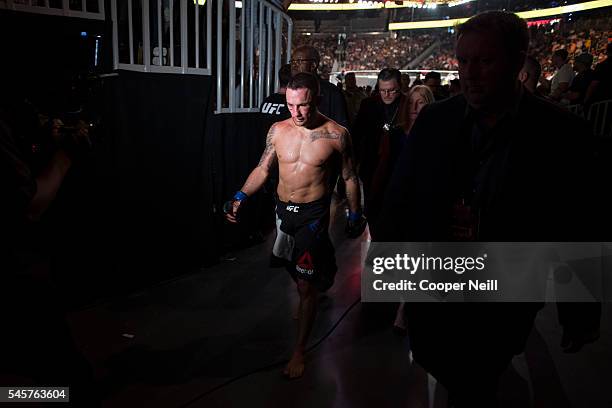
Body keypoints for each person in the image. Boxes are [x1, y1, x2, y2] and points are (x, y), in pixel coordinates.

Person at [377, 11, 602, 406]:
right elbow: (400, 201)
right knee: (447, 368)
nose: (470, 73)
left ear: (517, 61)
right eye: (463, 61)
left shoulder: (562, 132)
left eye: (484, 61)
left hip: (508, 287)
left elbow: (580, 220)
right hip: (438, 277)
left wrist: (580, 311)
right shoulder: (434, 120)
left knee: (476, 379)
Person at [224, 72, 365, 379]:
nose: (297, 113)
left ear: (317, 100)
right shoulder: (277, 130)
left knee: (305, 284)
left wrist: (355, 213)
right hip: (282, 211)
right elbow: (262, 168)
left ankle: (299, 349)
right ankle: (320, 274)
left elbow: (350, 177)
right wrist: (240, 195)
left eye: (304, 105)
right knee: (292, 266)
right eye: (290, 105)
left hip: (313, 215)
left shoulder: (336, 134)